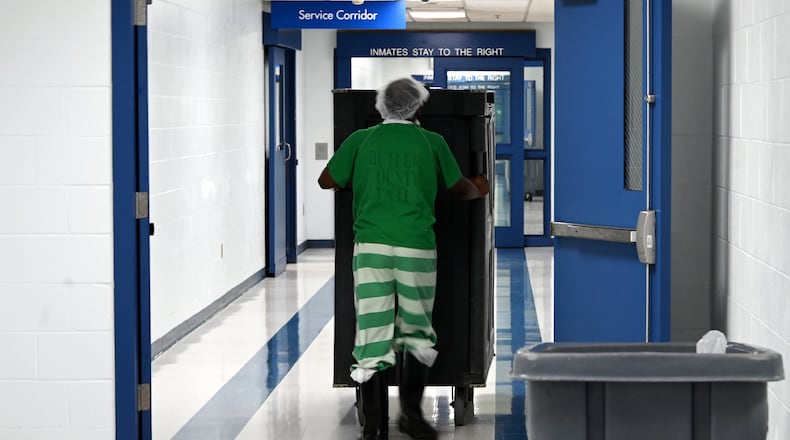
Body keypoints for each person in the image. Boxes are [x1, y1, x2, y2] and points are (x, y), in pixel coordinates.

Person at [318, 77, 489, 440]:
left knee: (372, 332)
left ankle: (374, 426)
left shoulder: (359, 140)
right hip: (416, 249)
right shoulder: (433, 142)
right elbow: (461, 189)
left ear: (380, 106)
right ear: (417, 108)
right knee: (416, 331)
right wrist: (481, 187)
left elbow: (326, 179)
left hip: (371, 252)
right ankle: (411, 416)